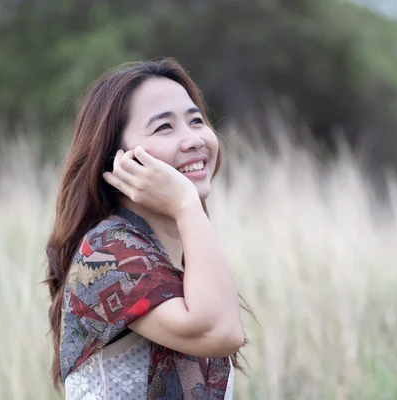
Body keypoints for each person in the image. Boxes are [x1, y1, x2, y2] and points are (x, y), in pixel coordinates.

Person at [45, 58, 248, 399]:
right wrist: (185, 204)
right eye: (164, 127)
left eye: (196, 120)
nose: (194, 140)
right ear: (118, 157)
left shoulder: (179, 251)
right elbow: (220, 331)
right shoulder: (105, 252)